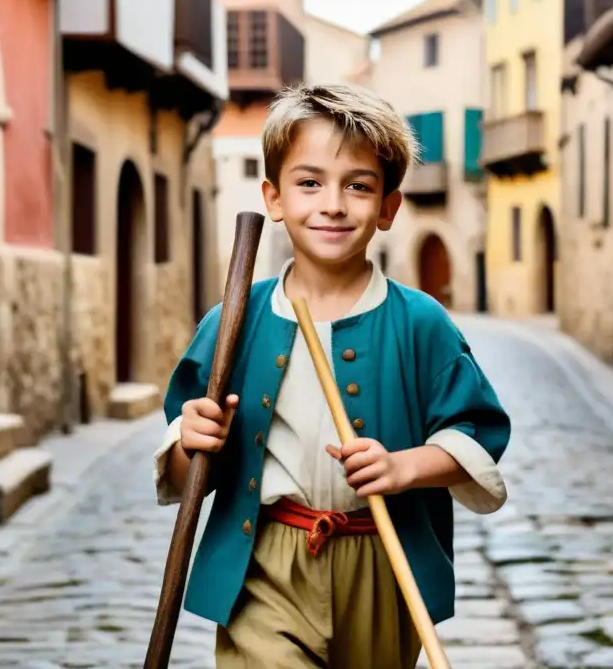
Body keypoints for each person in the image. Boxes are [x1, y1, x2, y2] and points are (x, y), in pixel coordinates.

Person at [153, 82, 511, 668]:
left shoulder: (420, 321)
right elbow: (181, 455)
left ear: (389, 207)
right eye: (310, 182)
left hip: (381, 560)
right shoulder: (232, 323)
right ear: (274, 198)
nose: (333, 204)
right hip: (265, 561)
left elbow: (474, 435)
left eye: (359, 186)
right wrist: (190, 442)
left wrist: (403, 466)